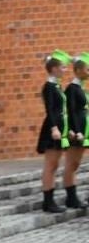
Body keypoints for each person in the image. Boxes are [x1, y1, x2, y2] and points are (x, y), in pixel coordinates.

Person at [39, 51, 72, 212]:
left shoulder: (57, 86)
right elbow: (50, 110)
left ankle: (50, 200)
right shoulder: (49, 87)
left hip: (60, 128)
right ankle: (47, 200)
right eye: (62, 67)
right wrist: (54, 128)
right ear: (53, 69)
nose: (64, 70)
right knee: (50, 165)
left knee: (55, 164)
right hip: (53, 129)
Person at [64, 54, 87, 209]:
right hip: (76, 130)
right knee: (72, 163)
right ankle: (71, 197)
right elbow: (71, 111)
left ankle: (73, 196)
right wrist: (75, 130)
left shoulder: (80, 88)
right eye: (87, 69)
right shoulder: (72, 89)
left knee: (76, 163)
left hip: (83, 130)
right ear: (78, 70)